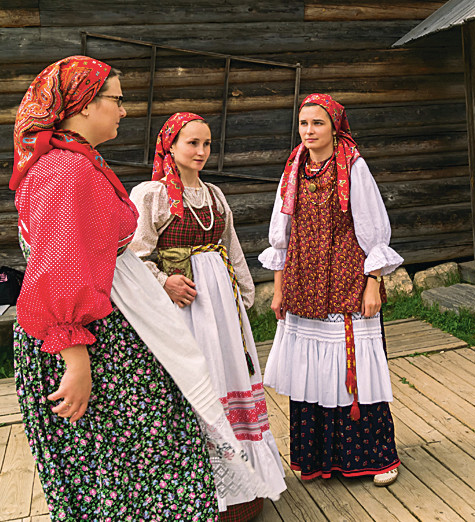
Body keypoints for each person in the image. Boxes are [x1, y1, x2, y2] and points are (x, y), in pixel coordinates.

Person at [12, 56, 272, 521]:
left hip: (104, 330)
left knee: (139, 454)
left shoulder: (77, 164)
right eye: (116, 98)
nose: (124, 110)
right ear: (83, 104)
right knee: (123, 460)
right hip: (86, 339)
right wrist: (75, 356)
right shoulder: (66, 172)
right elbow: (60, 266)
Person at [129, 112, 286, 519]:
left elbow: (231, 249)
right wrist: (164, 281)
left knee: (227, 377)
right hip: (181, 311)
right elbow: (133, 256)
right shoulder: (152, 195)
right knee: (197, 382)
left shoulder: (214, 195)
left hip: (220, 309)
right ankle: (197, 495)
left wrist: (241, 300)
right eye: (192, 143)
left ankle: (242, 494)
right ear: (170, 145)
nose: (201, 151)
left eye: (207, 144)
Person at [259, 93, 402, 486]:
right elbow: (282, 235)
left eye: (317, 123)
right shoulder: (294, 168)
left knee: (353, 370)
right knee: (312, 372)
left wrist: (373, 284)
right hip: (304, 280)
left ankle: (377, 458)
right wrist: (279, 290)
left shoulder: (353, 167)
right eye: (304, 123)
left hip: (345, 279)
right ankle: (318, 458)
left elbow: (374, 231)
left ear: (335, 127)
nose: (309, 131)